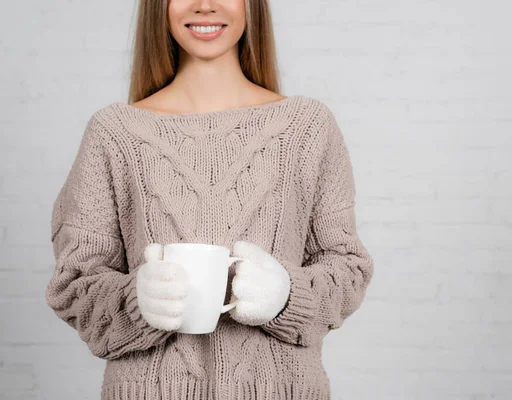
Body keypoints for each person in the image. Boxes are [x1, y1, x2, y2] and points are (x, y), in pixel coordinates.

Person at [45, 0, 374, 399]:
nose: (204, 5)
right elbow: (74, 284)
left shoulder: (308, 128)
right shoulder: (114, 134)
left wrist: (287, 295)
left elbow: (347, 268)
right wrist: (136, 302)